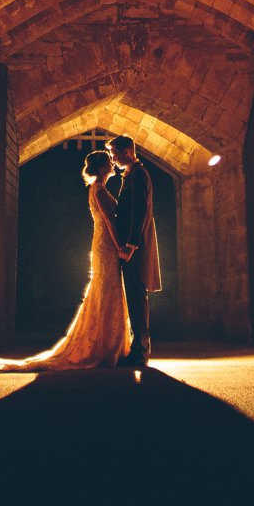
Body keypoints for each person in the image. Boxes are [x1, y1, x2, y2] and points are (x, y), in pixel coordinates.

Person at [0, 149, 133, 371]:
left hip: (103, 242)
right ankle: (104, 346)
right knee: (106, 290)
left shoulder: (96, 188)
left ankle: (110, 343)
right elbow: (110, 223)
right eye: (109, 162)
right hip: (106, 244)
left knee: (106, 291)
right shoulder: (99, 190)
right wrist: (121, 245)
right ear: (102, 167)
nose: (113, 164)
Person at [107, 135, 160, 367]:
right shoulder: (132, 174)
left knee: (137, 295)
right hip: (132, 245)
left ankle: (140, 351)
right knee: (135, 296)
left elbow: (140, 211)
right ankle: (139, 348)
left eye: (115, 153)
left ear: (128, 151)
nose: (113, 158)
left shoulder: (139, 175)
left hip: (134, 247)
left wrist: (131, 244)